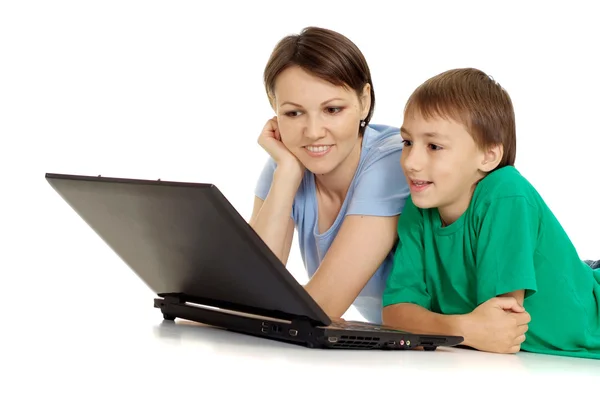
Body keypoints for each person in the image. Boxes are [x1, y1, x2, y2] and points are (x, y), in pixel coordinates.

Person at [381, 68, 600, 359]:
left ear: (488, 156)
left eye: (434, 146)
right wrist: (463, 327)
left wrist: (444, 327)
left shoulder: (505, 192)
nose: (411, 162)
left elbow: (503, 324)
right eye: (408, 142)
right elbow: (395, 315)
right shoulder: (418, 208)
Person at [250, 27, 410, 324]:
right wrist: (286, 173)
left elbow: (320, 306)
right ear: (275, 109)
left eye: (333, 109)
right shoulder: (287, 163)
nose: (312, 132)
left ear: (364, 101)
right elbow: (249, 288)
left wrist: (227, 307)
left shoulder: (392, 161)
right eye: (294, 113)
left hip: (473, 348)